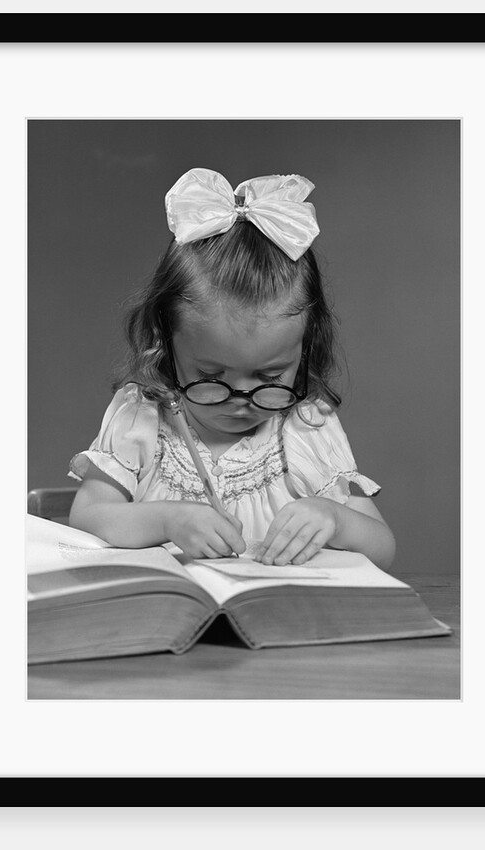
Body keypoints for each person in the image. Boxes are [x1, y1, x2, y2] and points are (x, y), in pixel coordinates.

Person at [68, 168, 396, 569]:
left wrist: (335, 520)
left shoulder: (307, 427)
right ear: (166, 344)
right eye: (210, 376)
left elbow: (383, 548)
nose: (240, 400)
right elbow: (87, 518)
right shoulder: (142, 416)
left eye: (270, 378)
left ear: (306, 349)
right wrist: (168, 519)